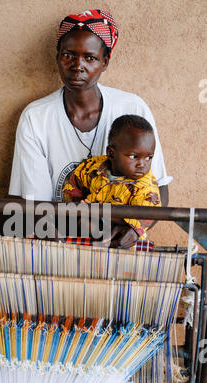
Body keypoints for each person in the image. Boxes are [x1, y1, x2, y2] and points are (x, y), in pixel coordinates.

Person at [9, 9, 172, 248]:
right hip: (57, 242)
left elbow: (159, 193)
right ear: (57, 58)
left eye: (90, 58)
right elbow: (38, 206)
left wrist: (135, 230)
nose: (77, 66)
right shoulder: (36, 117)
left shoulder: (133, 108)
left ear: (105, 62)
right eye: (68, 55)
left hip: (118, 243)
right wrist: (65, 244)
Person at [62, 114, 161, 243]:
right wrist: (80, 203)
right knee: (83, 223)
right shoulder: (93, 167)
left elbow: (144, 218)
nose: (142, 164)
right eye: (133, 156)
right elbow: (74, 182)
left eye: (148, 157)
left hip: (123, 236)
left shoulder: (146, 187)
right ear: (111, 153)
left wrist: (101, 212)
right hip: (89, 224)